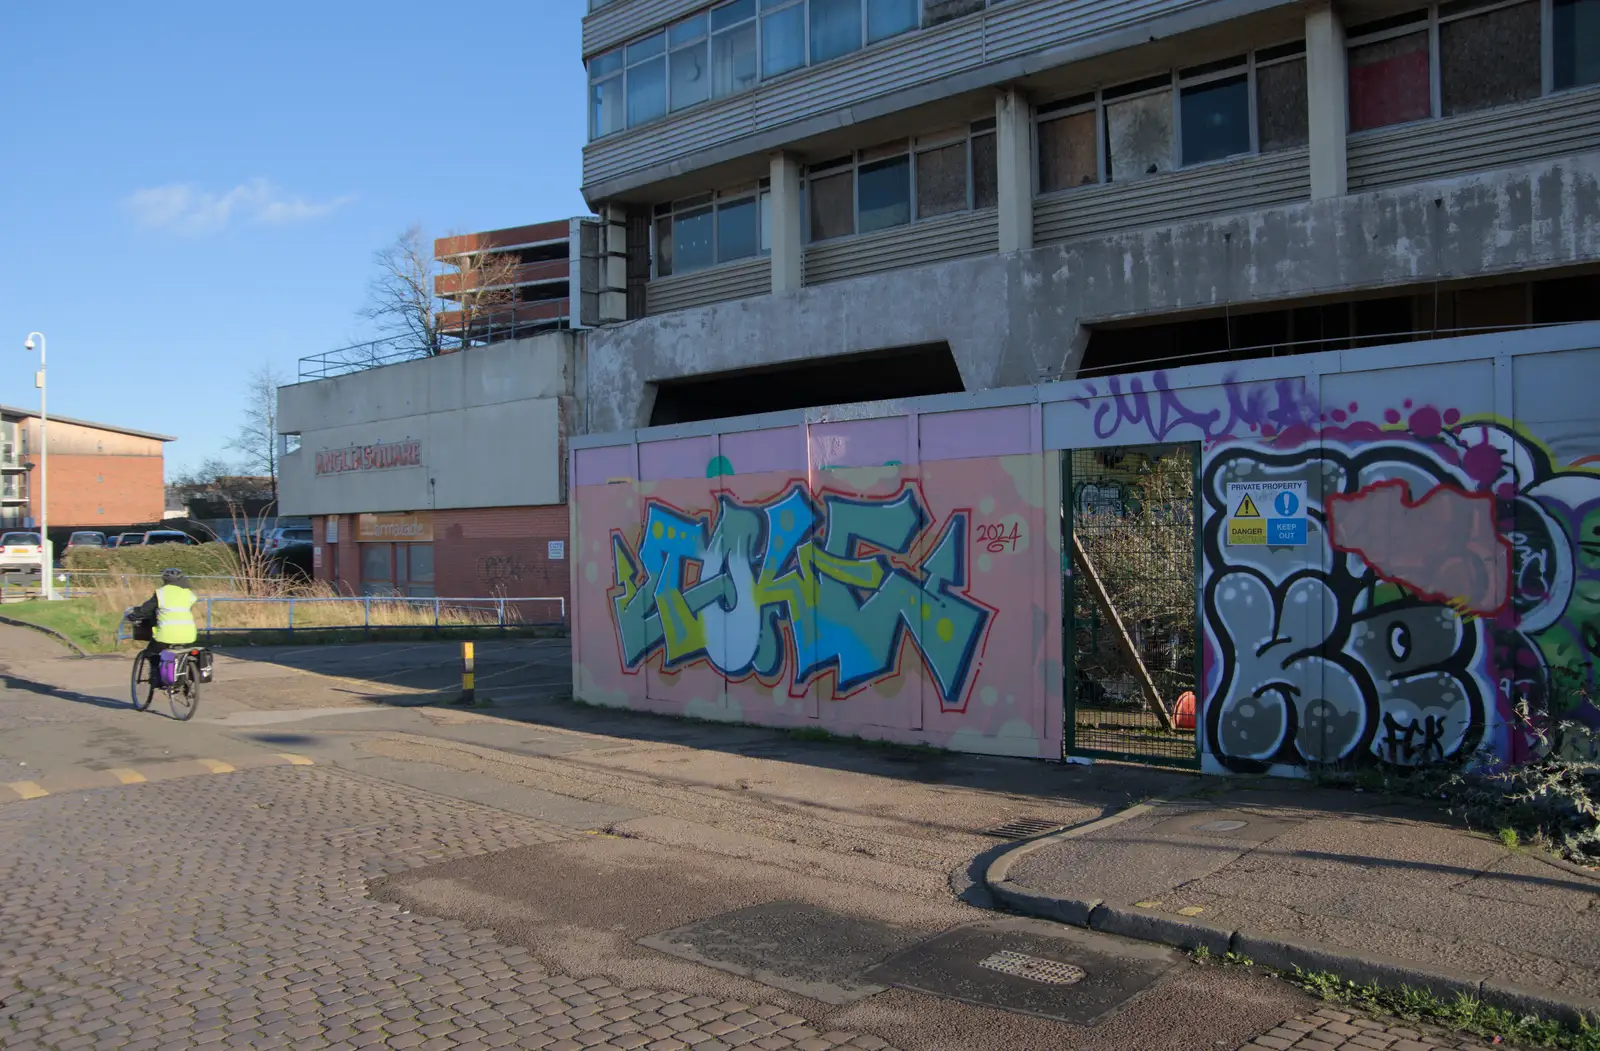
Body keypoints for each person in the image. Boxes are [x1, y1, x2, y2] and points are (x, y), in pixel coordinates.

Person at [134, 568, 198, 662]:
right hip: (188, 635)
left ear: (164, 580)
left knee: (152, 653)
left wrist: (134, 614)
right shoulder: (189, 594)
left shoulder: (161, 593)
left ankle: (154, 674)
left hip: (165, 635)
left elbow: (146, 609)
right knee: (186, 656)